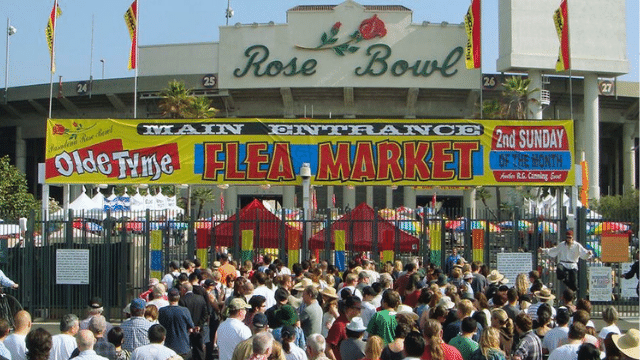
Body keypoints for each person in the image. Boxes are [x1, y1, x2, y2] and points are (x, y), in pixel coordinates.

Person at [158, 287, 194, 359]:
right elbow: (191, 327)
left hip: (167, 347)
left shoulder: (162, 311)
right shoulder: (184, 310)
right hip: (183, 347)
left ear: (168, 297)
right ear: (179, 297)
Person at [326, 296, 362, 360]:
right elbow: (328, 347)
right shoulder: (339, 325)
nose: (360, 312)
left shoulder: (351, 323)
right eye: (358, 309)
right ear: (349, 309)